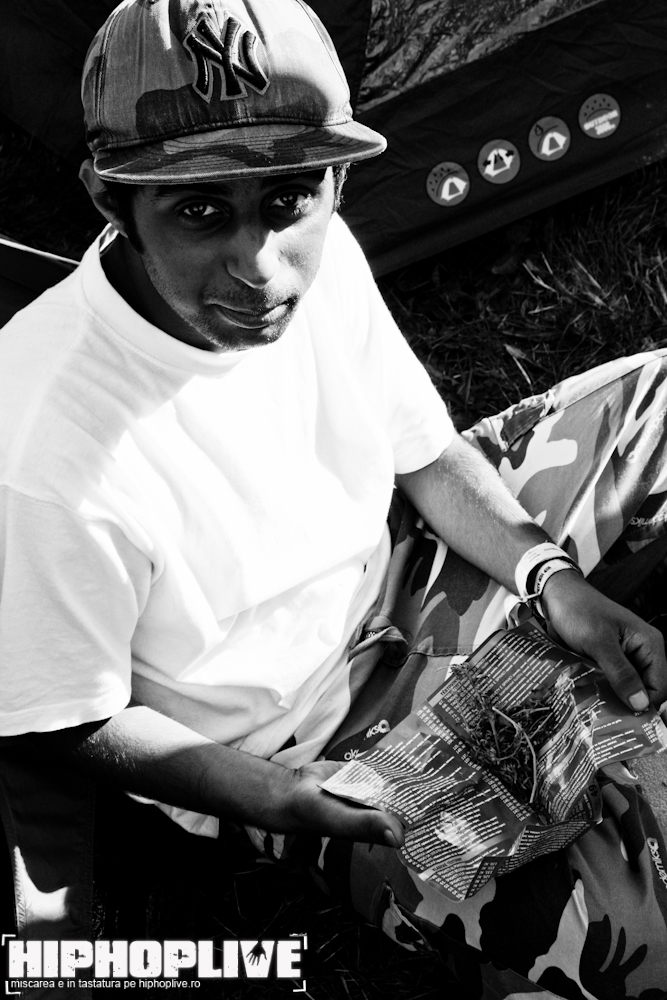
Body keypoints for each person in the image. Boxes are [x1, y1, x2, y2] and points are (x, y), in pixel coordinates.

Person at [1, 0, 667, 997]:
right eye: (198, 212)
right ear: (111, 200)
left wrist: (550, 577)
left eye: (289, 198)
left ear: (335, 178)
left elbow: (426, 457)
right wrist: (283, 799)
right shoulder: (38, 445)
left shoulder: (321, 256)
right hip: (301, 746)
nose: (260, 267)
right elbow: (66, 722)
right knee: (636, 945)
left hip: (405, 564)